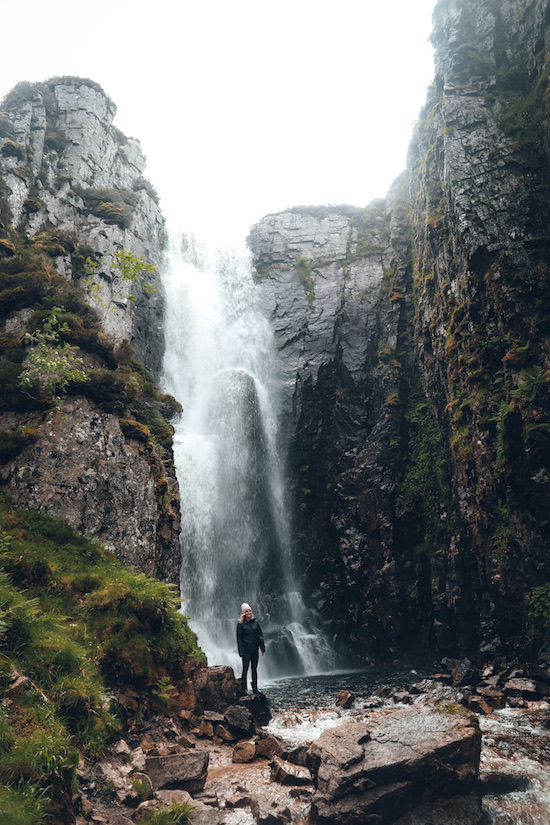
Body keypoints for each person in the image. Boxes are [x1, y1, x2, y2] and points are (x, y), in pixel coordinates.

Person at [236, 602, 265, 694]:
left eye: (250, 611)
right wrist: (241, 652)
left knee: (254, 669)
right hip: (246, 650)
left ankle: (255, 688)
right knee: (245, 669)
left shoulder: (255, 623)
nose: (249, 613)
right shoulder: (241, 625)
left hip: (254, 649)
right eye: (247, 611)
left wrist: (262, 648)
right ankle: (244, 688)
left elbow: (260, 636)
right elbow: (239, 639)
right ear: (244, 613)